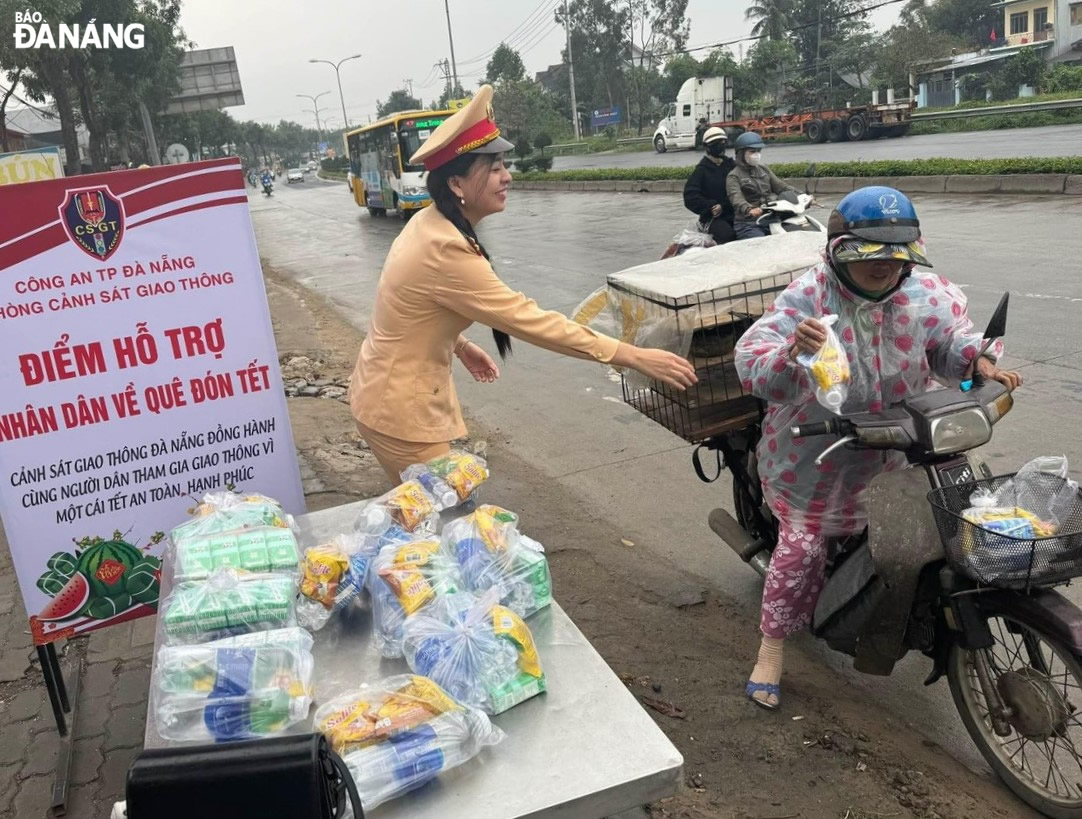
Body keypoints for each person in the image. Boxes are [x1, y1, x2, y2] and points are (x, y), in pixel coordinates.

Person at [733, 186, 1023, 709]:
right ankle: (771, 649)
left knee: (947, 520)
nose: (885, 266)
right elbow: (754, 363)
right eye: (870, 254)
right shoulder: (809, 297)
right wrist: (791, 352)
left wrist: (977, 363)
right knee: (803, 550)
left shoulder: (925, 293)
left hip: (903, 440)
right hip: (820, 453)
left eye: (896, 253)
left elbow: (949, 344)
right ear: (839, 249)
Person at [348, 85, 697, 482]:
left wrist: (459, 345)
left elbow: (405, 304)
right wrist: (631, 356)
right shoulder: (445, 246)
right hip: (401, 415)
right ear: (456, 185)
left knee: (425, 525)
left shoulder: (428, 224)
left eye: (504, 165)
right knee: (438, 529)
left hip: (384, 395)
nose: (507, 177)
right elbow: (530, 321)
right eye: (494, 168)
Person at [726, 132, 802, 240]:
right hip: (749, 224)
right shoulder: (734, 176)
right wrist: (748, 209)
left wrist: (803, 195)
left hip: (772, 218)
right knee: (761, 246)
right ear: (741, 153)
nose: (756, 154)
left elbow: (781, 186)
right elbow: (736, 197)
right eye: (752, 151)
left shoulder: (764, 169)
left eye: (758, 151)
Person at [682, 127, 736, 246]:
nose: (720, 146)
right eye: (716, 143)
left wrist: (724, 205)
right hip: (713, 218)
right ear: (707, 147)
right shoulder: (702, 170)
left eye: (722, 142)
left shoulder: (731, 165)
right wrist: (710, 206)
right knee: (728, 235)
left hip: (734, 211)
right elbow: (690, 196)